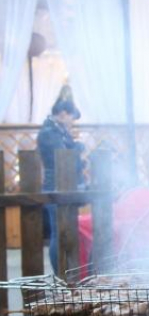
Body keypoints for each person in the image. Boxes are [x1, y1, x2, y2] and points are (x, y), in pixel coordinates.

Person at [36, 99, 85, 274]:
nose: (72, 123)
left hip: (64, 186)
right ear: (63, 113)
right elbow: (62, 157)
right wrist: (78, 148)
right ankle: (60, 272)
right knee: (58, 233)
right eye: (72, 118)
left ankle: (67, 271)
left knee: (66, 231)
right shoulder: (49, 132)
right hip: (55, 186)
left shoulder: (58, 131)